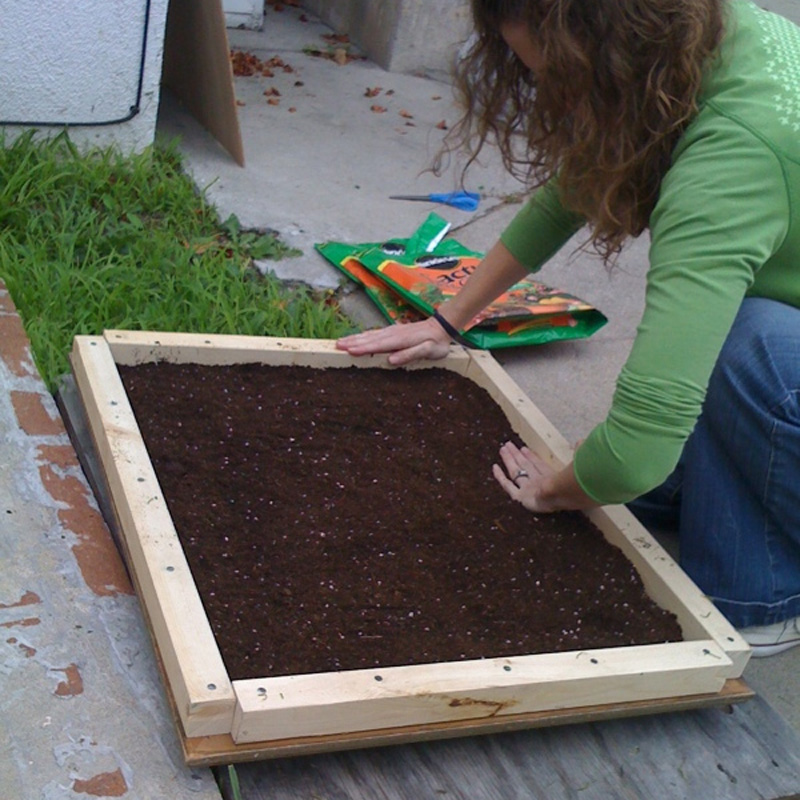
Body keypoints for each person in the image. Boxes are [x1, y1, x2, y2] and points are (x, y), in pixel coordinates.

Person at [338, 0, 800, 657]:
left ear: (612, 52)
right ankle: (723, 476)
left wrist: (553, 489)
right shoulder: (702, 31)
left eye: (560, 78)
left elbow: (638, 447)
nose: (551, 98)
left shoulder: (731, 163)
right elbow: (570, 192)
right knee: (726, 348)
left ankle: (765, 599)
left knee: (746, 344)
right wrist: (447, 320)